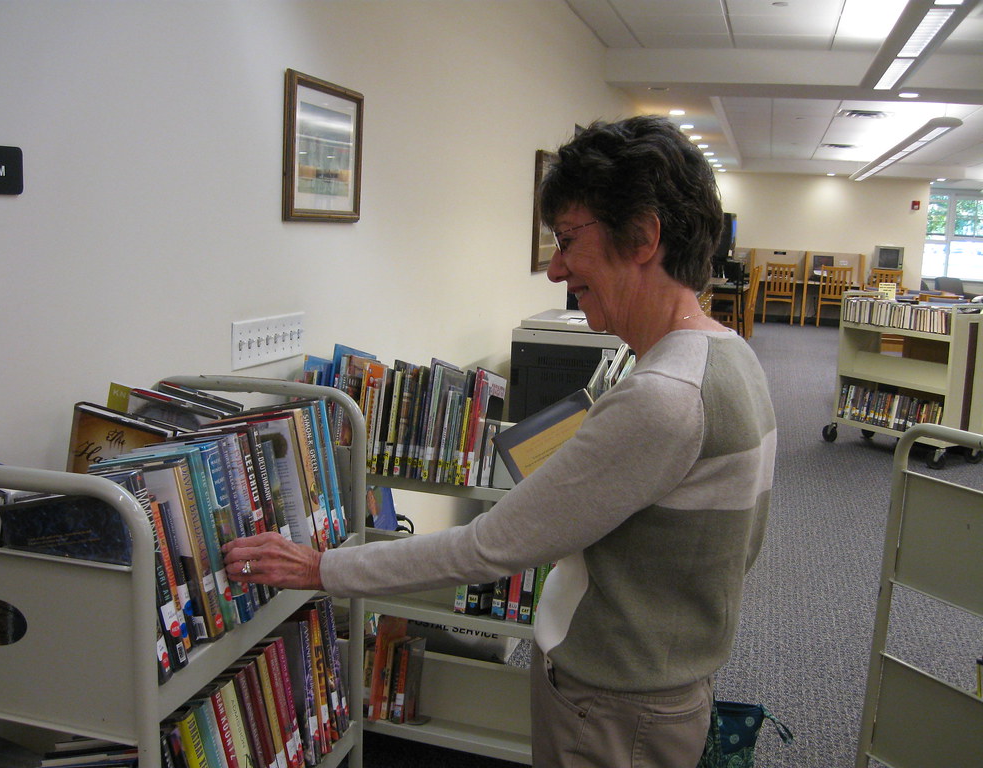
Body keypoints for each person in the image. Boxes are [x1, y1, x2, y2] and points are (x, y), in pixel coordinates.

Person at [222, 115, 776, 768]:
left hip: (615, 708)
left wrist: (318, 569)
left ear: (645, 236)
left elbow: (488, 547)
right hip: (663, 684)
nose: (556, 269)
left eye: (569, 240)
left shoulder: (666, 398)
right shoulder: (730, 357)